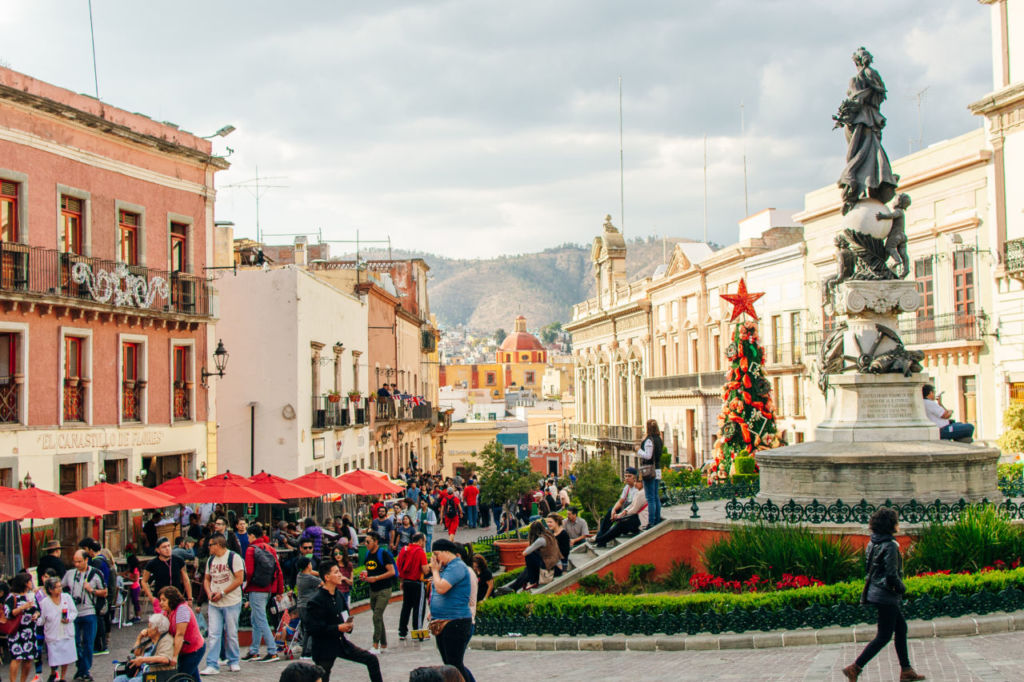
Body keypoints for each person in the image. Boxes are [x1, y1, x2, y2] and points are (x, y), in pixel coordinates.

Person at [843, 508, 925, 681]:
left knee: (901, 628)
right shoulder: (890, 546)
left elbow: (869, 569)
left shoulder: (873, 542)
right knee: (884, 636)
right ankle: (855, 667)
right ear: (891, 525)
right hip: (886, 595)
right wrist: (901, 588)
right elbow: (891, 574)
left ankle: (906, 670)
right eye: (896, 521)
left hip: (876, 592)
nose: (898, 524)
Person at [304, 562, 382, 682]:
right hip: (324, 648)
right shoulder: (316, 601)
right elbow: (312, 629)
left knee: (371, 659)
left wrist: (349, 626)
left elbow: (345, 616)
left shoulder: (339, 595)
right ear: (327, 577)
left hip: (341, 643)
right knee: (321, 678)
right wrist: (337, 628)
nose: (340, 575)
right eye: (336, 572)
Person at [427, 540, 475, 682]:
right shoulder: (446, 568)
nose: (435, 559)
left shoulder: (457, 566)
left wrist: (435, 571)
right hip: (442, 621)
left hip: (456, 621)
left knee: (454, 665)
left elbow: (442, 588)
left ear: (447, 552)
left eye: (437, 554)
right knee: (449, 665)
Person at [200, 534, 244, 675]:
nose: (209, 547)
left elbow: (239, 579)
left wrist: (223, 593)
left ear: (218, 545)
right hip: (214, 602)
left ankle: (233, 660)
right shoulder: (211, 560)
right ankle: (212, 663)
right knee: (214, 633)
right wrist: (209, 593)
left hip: (231, 601)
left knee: (231, 633)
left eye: (210, 545)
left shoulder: (234, 557)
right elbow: (207, 579)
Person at [62, 550, 106, 682]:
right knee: (75, 642)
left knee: (88, 642)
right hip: (74, 613)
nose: (76, 564)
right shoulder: (69, 574)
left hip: (89, 612)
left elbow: (105, 592)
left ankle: (84, 671)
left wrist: (91, 590)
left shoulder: (96, 573)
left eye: (79, 561)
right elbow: (61, 588)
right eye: (74, 561)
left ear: (86, 560)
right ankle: (83, 669)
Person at [242, 523, 284, 663]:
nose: (247, 538)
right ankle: (254, 650)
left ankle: (272, 651)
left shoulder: (251, 549)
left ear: (252, 535)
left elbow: (249, 572)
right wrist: (279, 590)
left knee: (260, 619)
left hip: (255, 588)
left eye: (248, 535)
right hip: (268, 588)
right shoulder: (270, 548)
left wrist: (245, 587)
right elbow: (278, 571)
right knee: (256, 618)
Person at [158, 586, 205, 681]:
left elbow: (180, 634)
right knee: (193, 677)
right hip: (183, 650)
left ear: (171, 600)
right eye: (160, 600)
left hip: (193, 650)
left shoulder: (182, 610)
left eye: (164, 600)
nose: (160, 603)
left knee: (179, 678)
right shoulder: (167, 611)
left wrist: (174, 657)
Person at [359, 532, 395, 654]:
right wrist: (365, 575)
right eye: (365, 541)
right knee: (377, 617)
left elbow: (391, 571)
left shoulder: (383, 554)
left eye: (368, 541)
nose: (366, 544)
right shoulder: (368, 554)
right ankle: (383, 644)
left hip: (384, 589)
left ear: (375, 542)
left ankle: (375, 645)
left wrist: (377, 578)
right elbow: (368, 568)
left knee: (376, 616)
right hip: (373, 589)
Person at [499, 521, 560, 593]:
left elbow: (525, 553)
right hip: (553, 565)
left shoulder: (541, 540)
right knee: (527, 570)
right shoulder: (549, 536)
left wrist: (532, 545)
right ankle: (512, 588)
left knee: (530, 556)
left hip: (549, 568)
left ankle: (517, 586)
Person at [113, 613, 176, 682]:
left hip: (154, 674)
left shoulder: (166, 640)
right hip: (141, 673)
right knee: (118, 679)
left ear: (156, 629)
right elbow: (136, 653)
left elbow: (165, 659)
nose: (147, 629)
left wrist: (143, 659)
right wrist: (139, 638)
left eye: (149, 627)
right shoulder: (150, 641)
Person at [78, 537, 115, 655]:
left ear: (89, 550)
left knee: (98, 620)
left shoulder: (96, 563)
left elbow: (95, 581)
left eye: (84, 549)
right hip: (103, 594)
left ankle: (100, 646)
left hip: (99, 595)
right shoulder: (104, 560)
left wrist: (91, 589)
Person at [39, 575, 76, 682]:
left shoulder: (67, 597)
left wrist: (68, 618)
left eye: (60, 586)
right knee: (54, 656)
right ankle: (53, 673)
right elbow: (42, 619)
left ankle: (63, 677)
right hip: (53, 632)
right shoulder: (45, 602)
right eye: (57, 587)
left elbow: (74, 611)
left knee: (66, 655)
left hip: (66, 631)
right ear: (50, 589)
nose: (60, 589)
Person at [593, 478, 647, 548]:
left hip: (641, 521)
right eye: (635, 481)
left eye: (638, 482)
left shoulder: (642, 493)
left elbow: (634, 509)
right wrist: (623, 513)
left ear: (643, 483)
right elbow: (631, 505)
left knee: (621, 525)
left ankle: (599, 540)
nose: (635, 484)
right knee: (618, 522)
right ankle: (600, 539)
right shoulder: (638, 492)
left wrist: (621, 515)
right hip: (635, 517)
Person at [6, 572, 39, 682]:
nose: (31, 583)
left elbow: (38, 609)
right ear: (24, 583)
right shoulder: (12, 597)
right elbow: (9, 614)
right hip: (16, 631)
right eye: (30, 581)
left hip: (30, 630)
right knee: (17, 658)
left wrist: (36, 614)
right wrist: (22, 607)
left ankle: (23, 680)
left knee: (28, 658)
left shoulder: (31, 595)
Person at [141, 538, 192, 609]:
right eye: (164, 547)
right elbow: (144, 581)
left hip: (177, 599)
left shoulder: (179, 560)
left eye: (169, 546)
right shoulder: (152, 563)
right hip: (160, 600)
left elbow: (186, 580)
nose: (167, 549)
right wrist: (152, 598)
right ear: (158, 550)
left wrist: (189, 598)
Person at [396, 533, 429, 642]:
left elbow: (399, 566)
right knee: (418, 608)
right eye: (424, 541)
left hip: (406, 582)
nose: (425, 543)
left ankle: (402, 632)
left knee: (406, 607)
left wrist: (401, 581)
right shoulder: (420, 552)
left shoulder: (404, 549)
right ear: (420, 541)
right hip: (417, 583)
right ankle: (418, 632)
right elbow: (425, 570)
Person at [637, 419, 664, 529]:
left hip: (649, 471)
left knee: (650, 497)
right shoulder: (659, 439)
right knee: (655, 496)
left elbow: (648, 456)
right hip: (657, 469)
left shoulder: (649, 440)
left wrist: (638, 450)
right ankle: (657, 518)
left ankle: (651, 521)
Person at [294, 556, 323, 659]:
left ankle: (304, 652)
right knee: (311, 629)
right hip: (309, 606)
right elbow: (323, 582)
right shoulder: (310, 578)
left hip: (301, 606)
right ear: (308, 566)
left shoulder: (299, 576)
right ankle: (308, 652)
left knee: (306, 630)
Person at [597, 468, 639, 537]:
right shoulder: (627, 487)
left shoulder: (637, 488)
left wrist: (620, 514)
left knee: (617, 523)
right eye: (626, 476)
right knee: (611, 511)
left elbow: (633, 505)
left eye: (629, 476)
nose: (627, 478)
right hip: (626, 511)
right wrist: (614, 510)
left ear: (635, 477)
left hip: (633, 514)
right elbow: (620, 501)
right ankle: (601, 533)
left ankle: (600, 537)